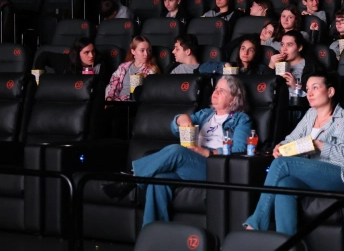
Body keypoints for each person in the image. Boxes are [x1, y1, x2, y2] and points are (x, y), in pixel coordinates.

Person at [102, 75, 252, 227]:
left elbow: (240, 149)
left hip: (213, 166)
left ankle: (130, 178)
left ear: (233, 99)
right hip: (190, 163)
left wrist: (209, 153)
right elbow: (175, 129)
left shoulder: (241, 119)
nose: (216, 92)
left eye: (222, 90)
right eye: (216, 88)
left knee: (176, 151)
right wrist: (181, 118)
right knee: (158, 181)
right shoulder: (206, 114)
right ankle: (153, 234)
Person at [243, 71, 344, 235]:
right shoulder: (310, 115)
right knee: (285, 185)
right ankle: (287, 245)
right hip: (313, 174)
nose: (309, 93)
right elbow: (292, 138)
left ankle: (256, 223)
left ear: (330, 92)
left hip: (338, 175)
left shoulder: (343, 119)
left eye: (315, 88)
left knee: (281, 164)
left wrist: (319, 144)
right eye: (307, 89)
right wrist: (281, 146)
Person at [267, 30, 324, 95]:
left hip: (298, 100)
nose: (284, 49)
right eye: (282, 44)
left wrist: (296, 86)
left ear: (299, 48)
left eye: (289, 45)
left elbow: (316, 95)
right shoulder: (277, 63)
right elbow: (264, 90)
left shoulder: (312, 67)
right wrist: (271, 66)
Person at [105, 36, 160, 101]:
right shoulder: (123, 67)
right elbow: (113, 84)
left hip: (134, 103)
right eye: (142, 50)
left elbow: (151, 90)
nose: (146, 54)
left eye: (148, 50)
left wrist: (145, 78)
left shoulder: (151, 69)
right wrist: (110, 98)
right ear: (133, 51)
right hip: (118, 101)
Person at [200, 35, 266, 75]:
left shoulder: (261, 69)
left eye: (251, 50)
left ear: (256, 53)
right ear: (239, 51)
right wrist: (224, 66)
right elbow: (202, 69)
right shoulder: (232, 65)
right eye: (243, 48)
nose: (246, 52)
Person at [34, 37, 101, 74]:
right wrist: (39, 77)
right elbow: (43, 55)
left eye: (93, 51)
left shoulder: (99, 64)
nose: (91, 56)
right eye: (86, 52)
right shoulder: (65, 60)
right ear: (77, 53)